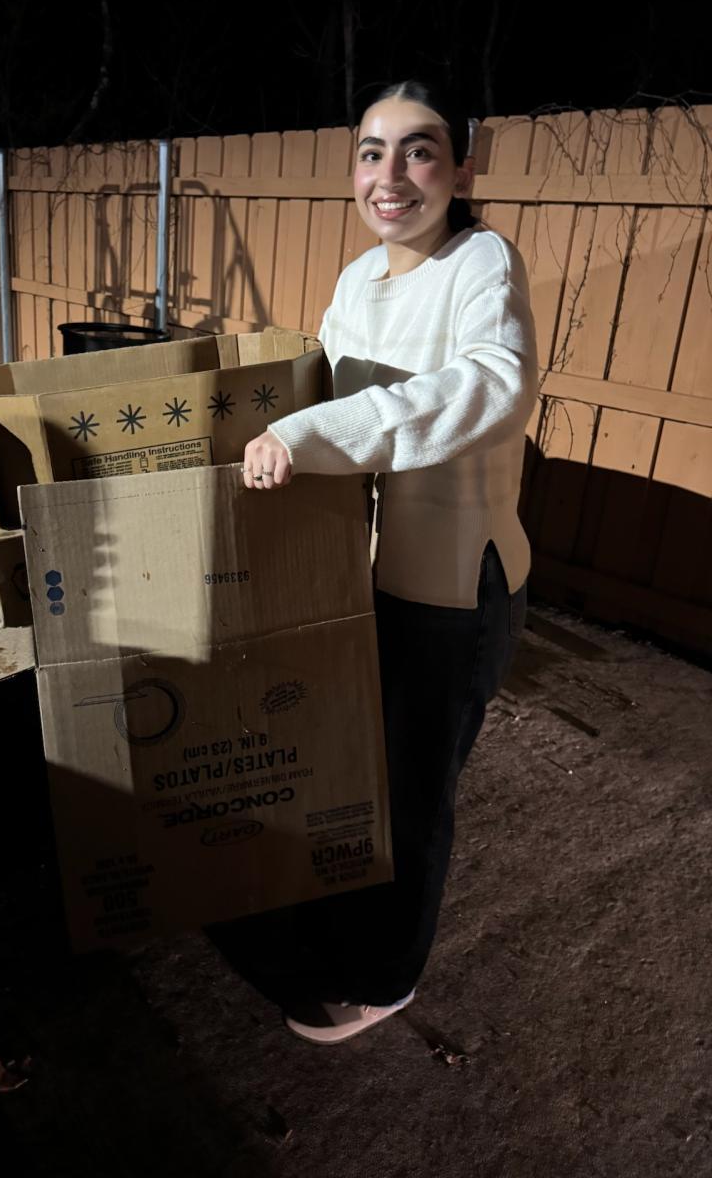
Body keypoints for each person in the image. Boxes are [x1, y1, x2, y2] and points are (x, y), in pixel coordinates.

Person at [238, 78, 538, 1044]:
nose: (391, 174)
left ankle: (386, 977)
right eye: (373, 151)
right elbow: (314, 391)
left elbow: (491, 382)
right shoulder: (358, 278)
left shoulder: (481, 261)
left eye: (419, 149)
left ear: (461, 168)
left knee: (412, 793)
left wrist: (310, 436)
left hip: (451, 584)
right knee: (353, 773)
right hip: (362, 575)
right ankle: (344, 926)